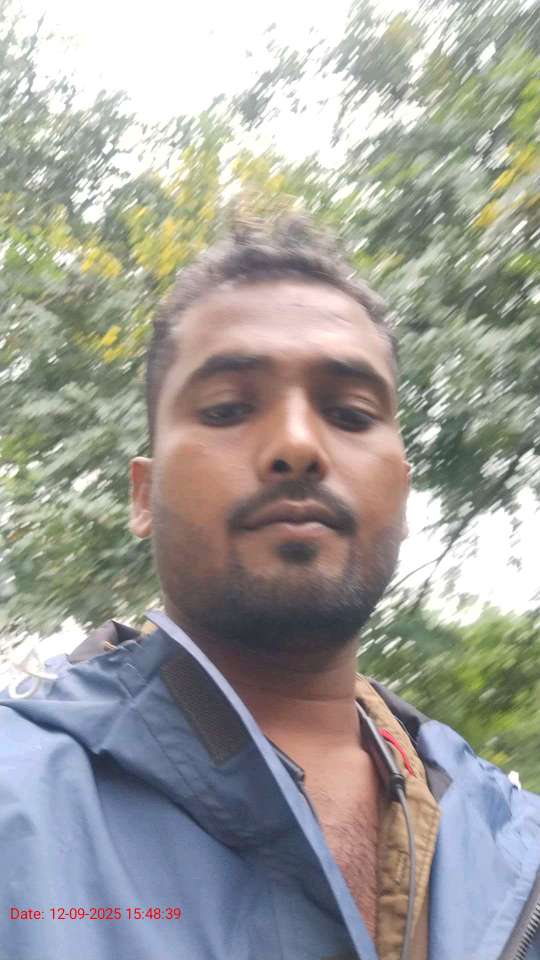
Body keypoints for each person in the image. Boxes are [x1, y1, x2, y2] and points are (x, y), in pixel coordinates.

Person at [1, 213, 539, 960]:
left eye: (350, 414)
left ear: (404, 495)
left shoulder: (516, 840)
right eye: (227, 409)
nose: (296, 444)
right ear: (143, 495)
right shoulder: (18, 796)